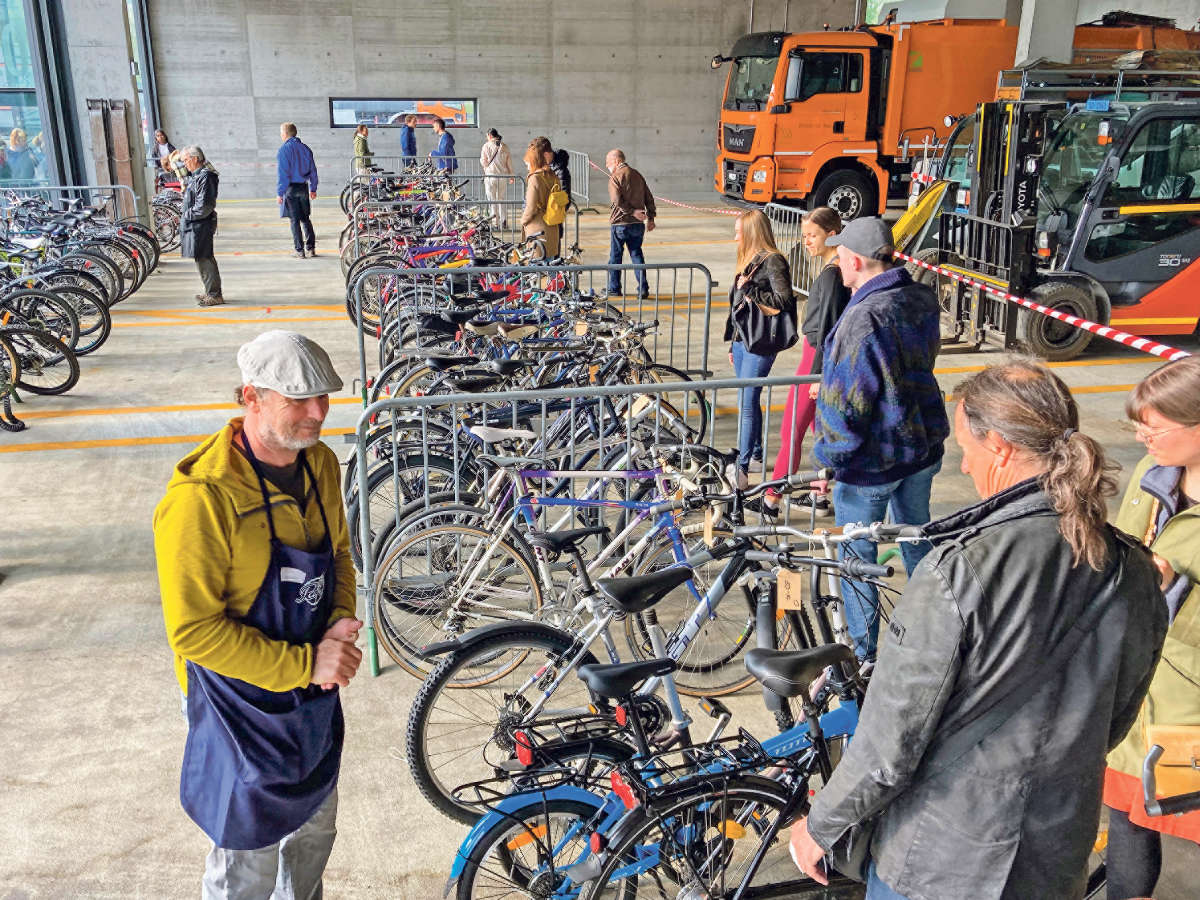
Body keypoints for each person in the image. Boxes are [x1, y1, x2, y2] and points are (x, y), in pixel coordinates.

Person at [790, 360, 1168, 900]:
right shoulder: (1133, 569)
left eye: (967, 445)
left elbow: (890, 740)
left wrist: (820, 825)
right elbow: (1116, 718)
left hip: (941, 858)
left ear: (1002, 448)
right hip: (1054, 855)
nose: (964, 466)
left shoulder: (958, 570)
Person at [154, 330, 362, 900]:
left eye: (324, 396)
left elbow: (340, 553)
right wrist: (307, 663)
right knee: (247, 854)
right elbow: (194, 632)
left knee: (316, 829)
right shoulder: (202, 500)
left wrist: (340, 617)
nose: (317, 414)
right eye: (298, 400)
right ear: (250, 397)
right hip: (234, 702)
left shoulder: (320, 464)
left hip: (312, 689)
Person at [814, 216, 948, 661]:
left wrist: (829, 460)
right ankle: (935, 626)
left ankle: (865, 652)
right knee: (915, 536)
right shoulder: (919, 298)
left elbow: (845, 406)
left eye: (839, 255)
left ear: (854, 259)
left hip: (872, 464)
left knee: (858, 557)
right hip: (920, 447)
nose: (835, 260)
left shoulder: (863, 319)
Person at [1103, 355, 1200, 900]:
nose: (1143, 439)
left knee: (1188, 815)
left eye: (1155, 428)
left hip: (1189, 707)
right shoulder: (1153, 472)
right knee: (1129, 812)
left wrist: (1177, 583)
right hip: (1136, 684)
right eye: (1138, 425)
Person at [760, 207, 850, 515]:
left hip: (816, 360)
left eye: (812, 235)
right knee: (819, 429)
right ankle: (818, 493)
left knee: (791, 430)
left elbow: (828, 329)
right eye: (805, 236)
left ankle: (772, 497)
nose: (807, 242)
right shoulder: (837, 273)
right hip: (821, 359)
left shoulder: (831, 277)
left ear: (832, 235)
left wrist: (816, 375)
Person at [722, 209, 794, 487]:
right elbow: (738, 305)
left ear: (752, 232)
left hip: (761, 342)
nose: (735, 235)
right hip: (744, 340)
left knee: (747, 403)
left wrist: (750, 288)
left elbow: (783, 300)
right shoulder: (749, 260)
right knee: (749, 399)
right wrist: (733, 341)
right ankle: (757, 453)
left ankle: (742, 467)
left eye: (739, 231)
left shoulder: (772, 261)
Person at [605, 149, 656, 299]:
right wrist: (651, 218)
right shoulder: (637, 175)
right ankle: (643, 288)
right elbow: (649, 197)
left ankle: (614, 288)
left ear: (616, 161)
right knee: (636, 254)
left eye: (608, 163)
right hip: (637, 224)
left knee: (615, 256)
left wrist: (632, 211)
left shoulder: (616, 177)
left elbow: (617, 201)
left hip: (620, 223)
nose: (607, 166)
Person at [179, 146, 223, 307]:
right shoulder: (197, 175)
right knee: (202, 258)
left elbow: (204, 206)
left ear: (195, 158)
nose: (184, 164)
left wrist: (186, 215)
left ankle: (215, 294)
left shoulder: (206, 176)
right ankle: (210, 291)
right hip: (197, 223)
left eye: (186, 160)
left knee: (205, 258)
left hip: (201, 224)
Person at [276, 122, 318, 258]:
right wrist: (313, 188)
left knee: (294, 220)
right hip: (304, 187)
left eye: (281, 133)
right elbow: (313, 170)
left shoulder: (283, 150)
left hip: (291, 188)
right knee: (306, 219)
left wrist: (280, 192)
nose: (281, 135)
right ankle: (311, 248)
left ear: (285, 134)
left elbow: (283, 174)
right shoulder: (306, 148)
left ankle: (299, 250)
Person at [520, 136, 561, 259]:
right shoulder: (553, 175)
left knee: (535, 273)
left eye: (528, 163)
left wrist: (523, 221)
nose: (527, 166)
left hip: (537, 231)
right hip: (552, 228)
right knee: (551, 271)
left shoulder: (535, 178)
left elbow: (531, 207)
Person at [480, 128, 513, 227]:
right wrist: (511, 175)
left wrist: (485, 167)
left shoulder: (486, 146)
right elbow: (509, 162)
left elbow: (484, 162)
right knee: (501, 198)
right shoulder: (505, 146)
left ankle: (495, 222)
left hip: (490, 176)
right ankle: (504, 220)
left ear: (489, 136)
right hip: (502, 177)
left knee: (492, 200)